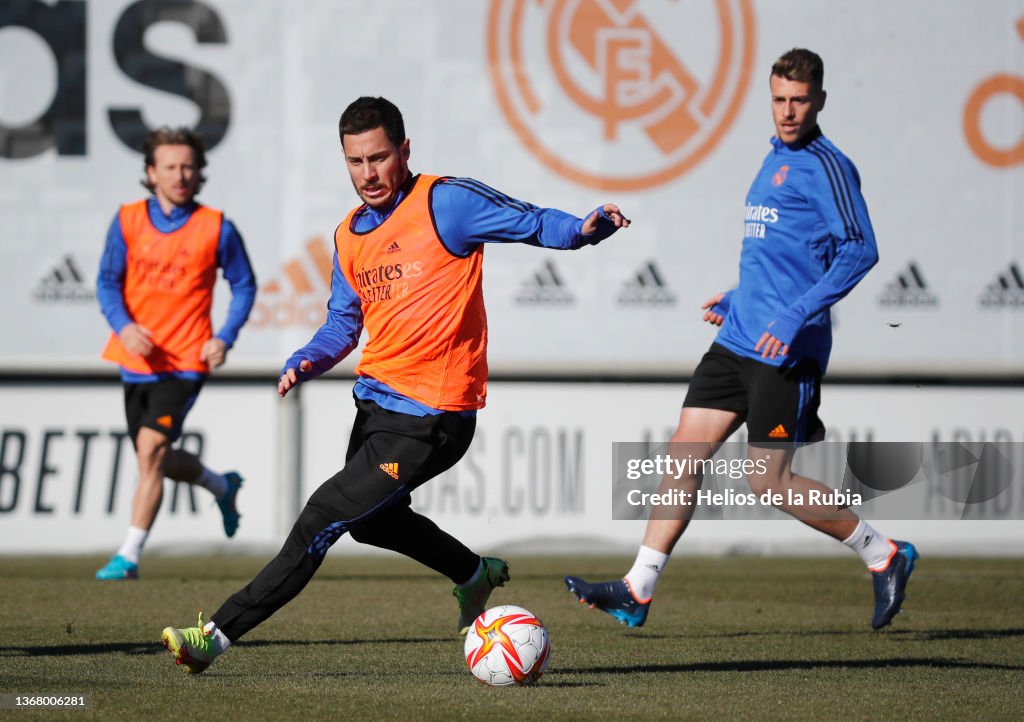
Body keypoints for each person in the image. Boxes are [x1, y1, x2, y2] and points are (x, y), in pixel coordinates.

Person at [159, 96, 630, 674]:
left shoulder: (445, 202)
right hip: (375, 408)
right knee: (371, 521)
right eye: (355, 162)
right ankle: (471, 572)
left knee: (320, 518)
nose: (368, 174)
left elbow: (530, 220)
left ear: (404, 150)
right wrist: (307, 358)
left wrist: (582, 231)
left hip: (433, 416)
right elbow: (342, 322)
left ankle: (214, 636)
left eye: (378, 158)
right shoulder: (349, 235)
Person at [565, 48, 918, 631]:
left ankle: (884, 554)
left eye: (800, 100)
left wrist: (792, 315)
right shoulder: (772, 157)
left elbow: (860, 250)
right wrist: (739, 298)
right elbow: (784, 257)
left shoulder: (828, 165)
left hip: (787, 349)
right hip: (738, 338)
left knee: (768, 481)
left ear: (820, 101)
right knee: (684, 450)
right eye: (779, 99)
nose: (788, 111)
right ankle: (638, 587)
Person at [95, 127, 257, 580]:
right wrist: (124, 328)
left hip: (185, 361)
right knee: (156, 459)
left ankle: (128, 554)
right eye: (170, 167)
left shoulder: (217, 227)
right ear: (151, 173)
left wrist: (223, 337)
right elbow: (107, 283)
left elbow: (243, 285)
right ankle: (221, 485)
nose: (181, 175)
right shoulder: (127, 220)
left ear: (200, 172)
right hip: (136, 362)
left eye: (188, 166)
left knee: (150, 450)